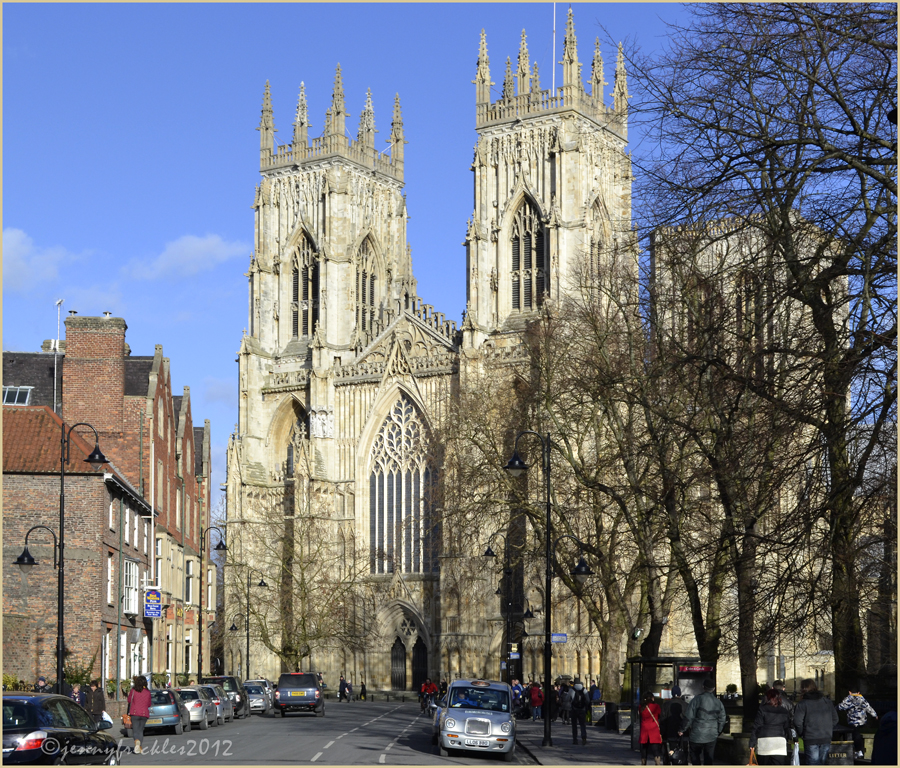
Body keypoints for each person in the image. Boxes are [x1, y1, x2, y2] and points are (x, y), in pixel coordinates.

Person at [679, 678, 726, 765]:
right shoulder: (718, 702)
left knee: (695, 756)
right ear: (713, 689)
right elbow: (722, 719)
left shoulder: (696, 700)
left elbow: (689, 716)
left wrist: (682, 729)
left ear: (703, 687)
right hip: (712, 734)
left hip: (697, 734)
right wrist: (718, 731)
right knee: (709, 758)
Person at [793, 679, 838, 765]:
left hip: (811, 737)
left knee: (812, 763)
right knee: (822, 763)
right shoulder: (827, 702)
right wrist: (827, 728)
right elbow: (835, 719)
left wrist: (803, 732)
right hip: (825, 736)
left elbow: (797, 722)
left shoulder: (802, 704)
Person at [750, 688, 793, 765]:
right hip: (779, 741)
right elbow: (787, 727)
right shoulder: (784, 711)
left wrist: (752, 743)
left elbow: (757, 727)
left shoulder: (762, 709)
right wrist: (789, 737)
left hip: (764, 741)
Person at [837, 690, 878, 758]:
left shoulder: (848, 699)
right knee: (857, 733)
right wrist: (874, 715)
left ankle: (858, 750)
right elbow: (868, 707)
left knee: (855, 734)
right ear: (858, 692)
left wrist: (834, 709)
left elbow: (841, 707)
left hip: (852, 721)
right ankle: (858, 750)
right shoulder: (861, 698)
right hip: (862, 720)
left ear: (849, 692)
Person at [127, 675, 152, 755]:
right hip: (144, 714)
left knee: (135, 730)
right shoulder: (147, 692)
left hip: (134, 713)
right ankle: (140, 747)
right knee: (141, 730)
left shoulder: (133, 691)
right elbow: (149, 704)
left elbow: (129, 700)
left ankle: (137, 741)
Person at [640, 691, 663, 765]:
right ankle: (657, 763)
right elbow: (659, 715)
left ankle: (643, 763)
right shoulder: (656, 706)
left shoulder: (641, 706)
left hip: (644, 728)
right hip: (654, 728)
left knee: (644, 748)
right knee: (655, 748)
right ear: (652, 698)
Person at [570, 678, 589, 746]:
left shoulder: (572, 690)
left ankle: (575, 739)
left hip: (574, 709)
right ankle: (584, 738)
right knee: (582, 724)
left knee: (574, 725)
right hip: (582, 709)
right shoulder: (584, 689)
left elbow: (569, 698)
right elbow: (588, 700)